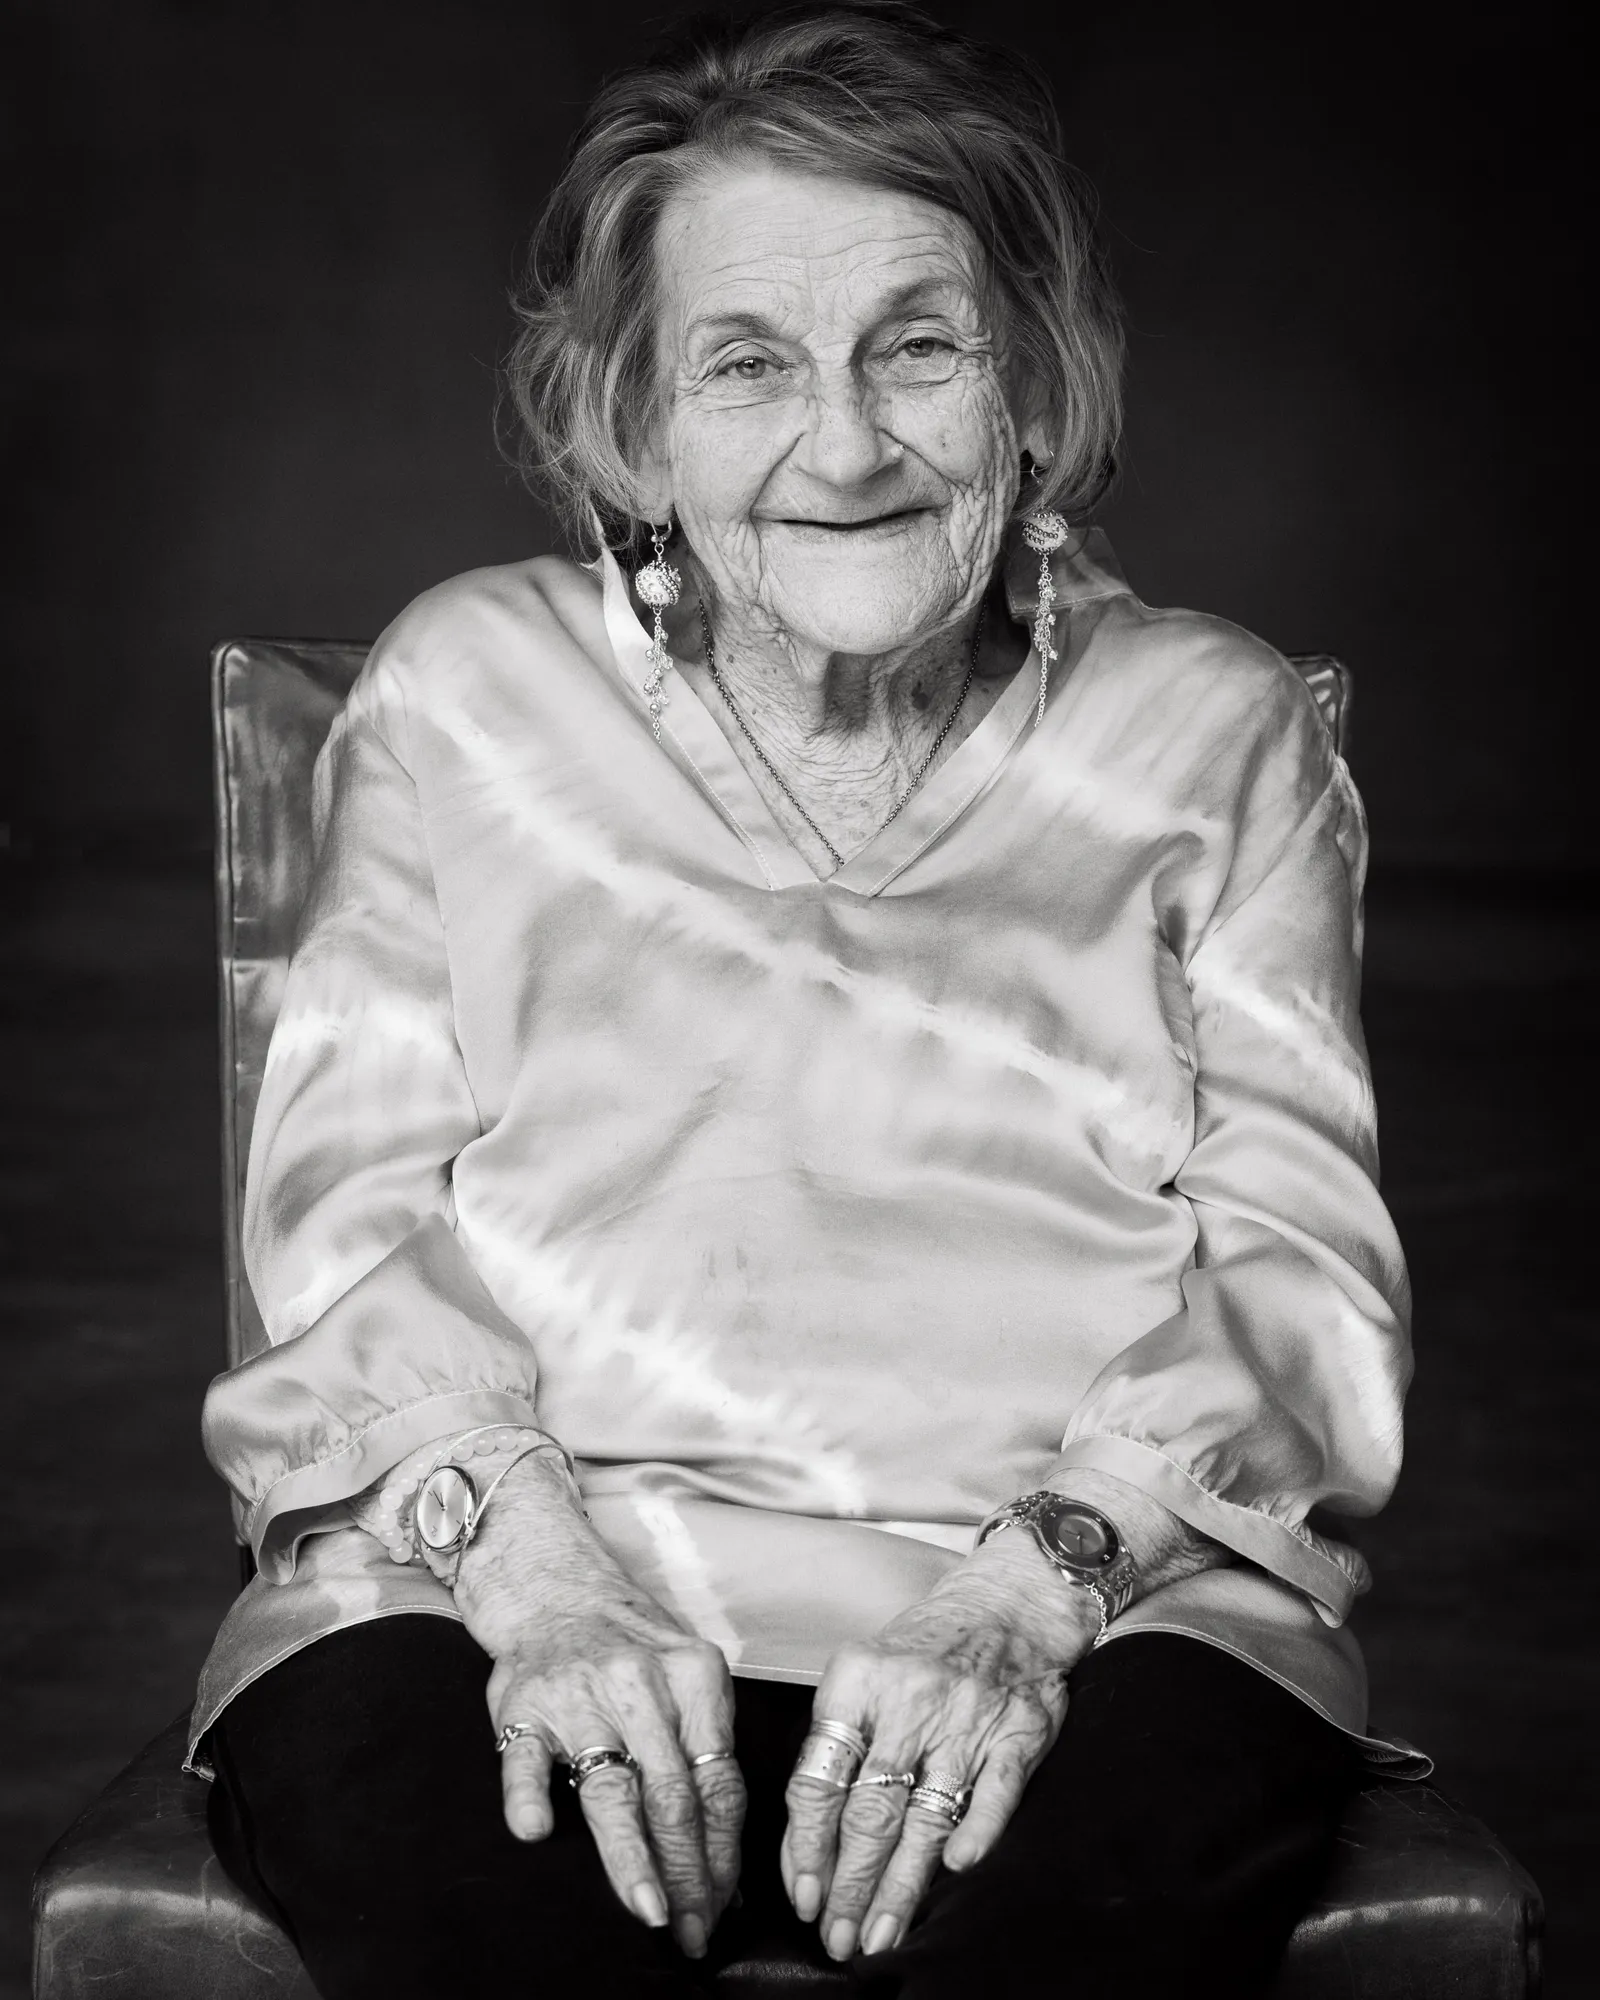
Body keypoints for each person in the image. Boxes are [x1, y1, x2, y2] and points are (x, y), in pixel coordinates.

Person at [189, 6, 1419, 1994]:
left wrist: (1030, 1590)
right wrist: (538, 1576)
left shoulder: (1215, 729)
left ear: (1034, 384)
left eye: (917, 348)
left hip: (1091, 1588)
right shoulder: (465, 694)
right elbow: (348, 1227)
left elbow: (1299, 1279)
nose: (842, 445)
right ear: (632, 432)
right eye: (746, 364)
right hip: (500, 1570)